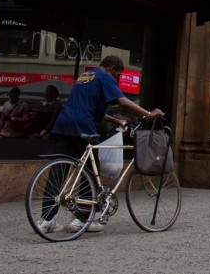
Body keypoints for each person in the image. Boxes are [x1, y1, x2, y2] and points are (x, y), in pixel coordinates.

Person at [46, 55, 163, 233]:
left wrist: (116, 121)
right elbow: (123, 101)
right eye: (117, 74)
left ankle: (46, 219)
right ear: (111, 67)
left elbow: (88, 107)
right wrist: (148, 113)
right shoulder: (104, 76)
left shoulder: (85, 77)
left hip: (64, 125)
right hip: (83, 126)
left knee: (58, 171)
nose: (116, 78)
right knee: (91, 172)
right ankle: (81, 219)